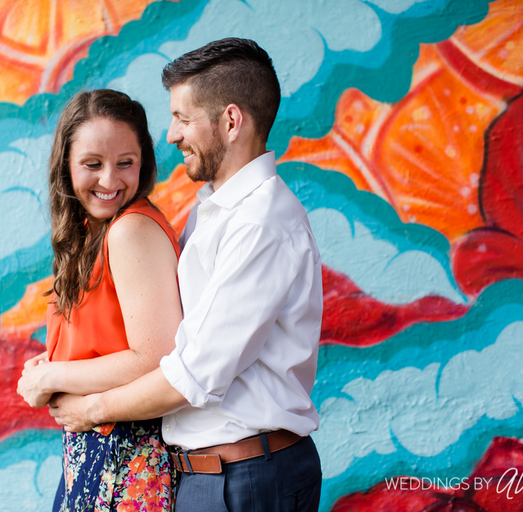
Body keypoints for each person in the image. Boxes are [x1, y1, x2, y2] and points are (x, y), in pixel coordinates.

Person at [48, 38, 324, 511]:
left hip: (245, 477)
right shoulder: (215, 213)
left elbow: (191, 374)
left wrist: (87, 409)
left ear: (231, 121)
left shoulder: (259, 225)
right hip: (216, 473)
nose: (172, 135)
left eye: (182, 117)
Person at [16, 89, 182, 512]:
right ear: (66, 165)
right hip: (96, 451)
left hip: (126, 457)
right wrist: (47, 370)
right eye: (93, 164)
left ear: (142, 162)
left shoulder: (131, 231)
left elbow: (156, 356)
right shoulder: (96, 233)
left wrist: (53, 377)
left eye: (125, 163)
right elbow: (103, 343)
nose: (110, 180)